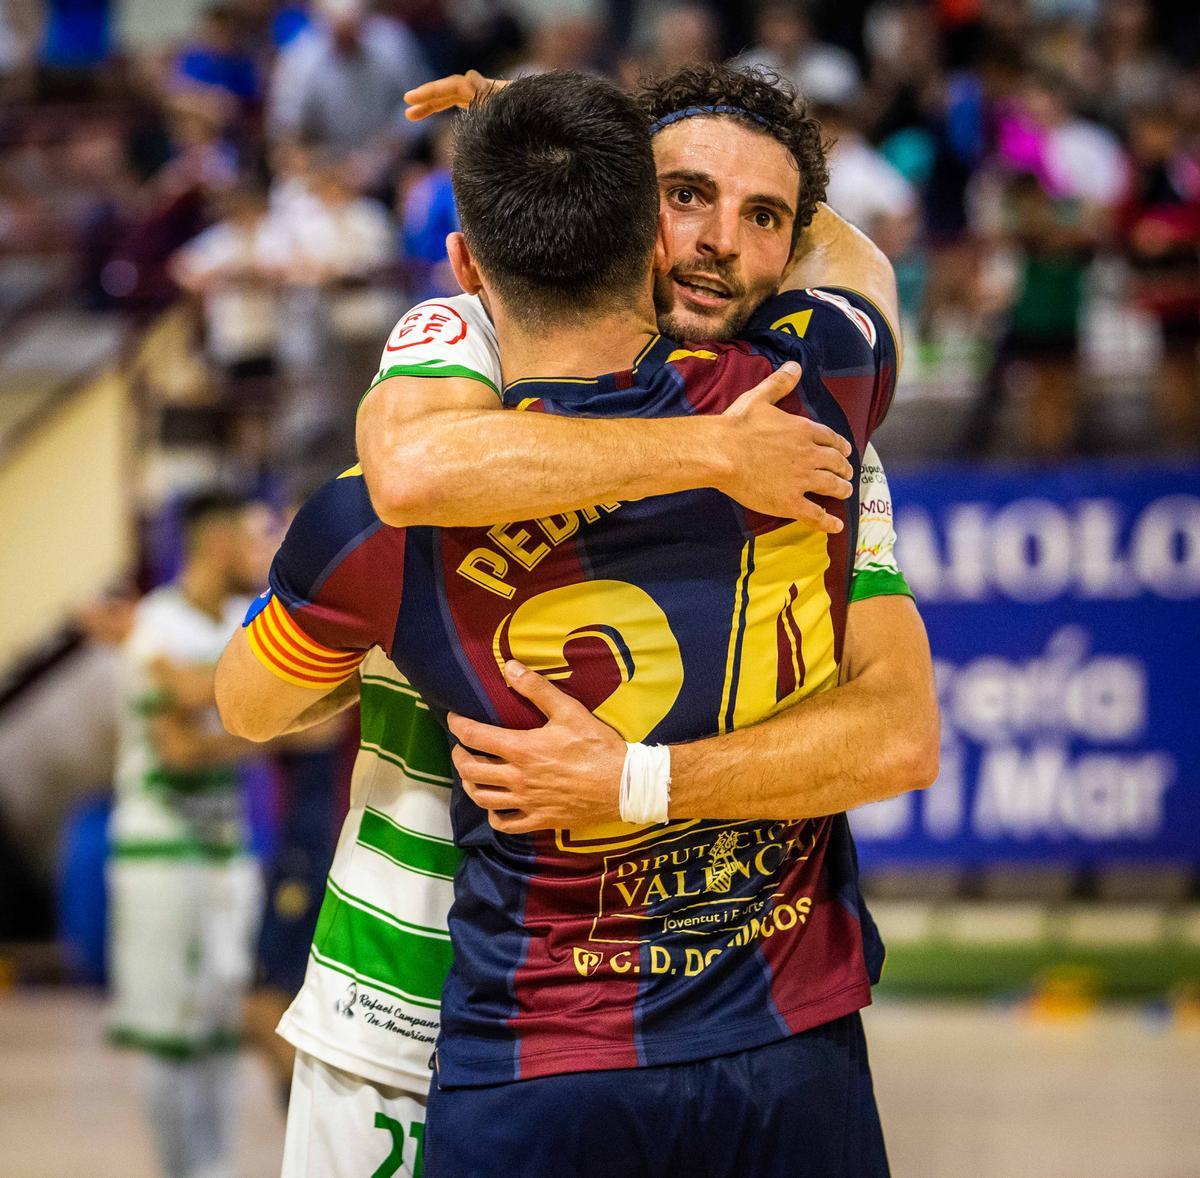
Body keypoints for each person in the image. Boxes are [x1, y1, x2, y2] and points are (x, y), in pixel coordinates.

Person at [218, 71, 935, 1177]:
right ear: (619, 209)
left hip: (605, 1029)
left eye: (764, 219)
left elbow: (899, 733)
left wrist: (625, 773)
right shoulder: (800, 408)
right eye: (683, 195)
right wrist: (712, 452)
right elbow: (414, 466)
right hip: (408, 986)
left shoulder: (823, 426)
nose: (716, 245)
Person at [107, 490, 278, 1178]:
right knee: (169, 1034)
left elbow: (317, 715)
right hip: (160, 854)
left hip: (226, 851)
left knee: (220, 1028)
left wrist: (218, 700)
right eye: (251, 536)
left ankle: (215, 1170)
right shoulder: (156, 622)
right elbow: (176, 749)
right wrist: (258, 721)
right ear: (216, 543)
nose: (263, 552)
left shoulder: (243, 620)